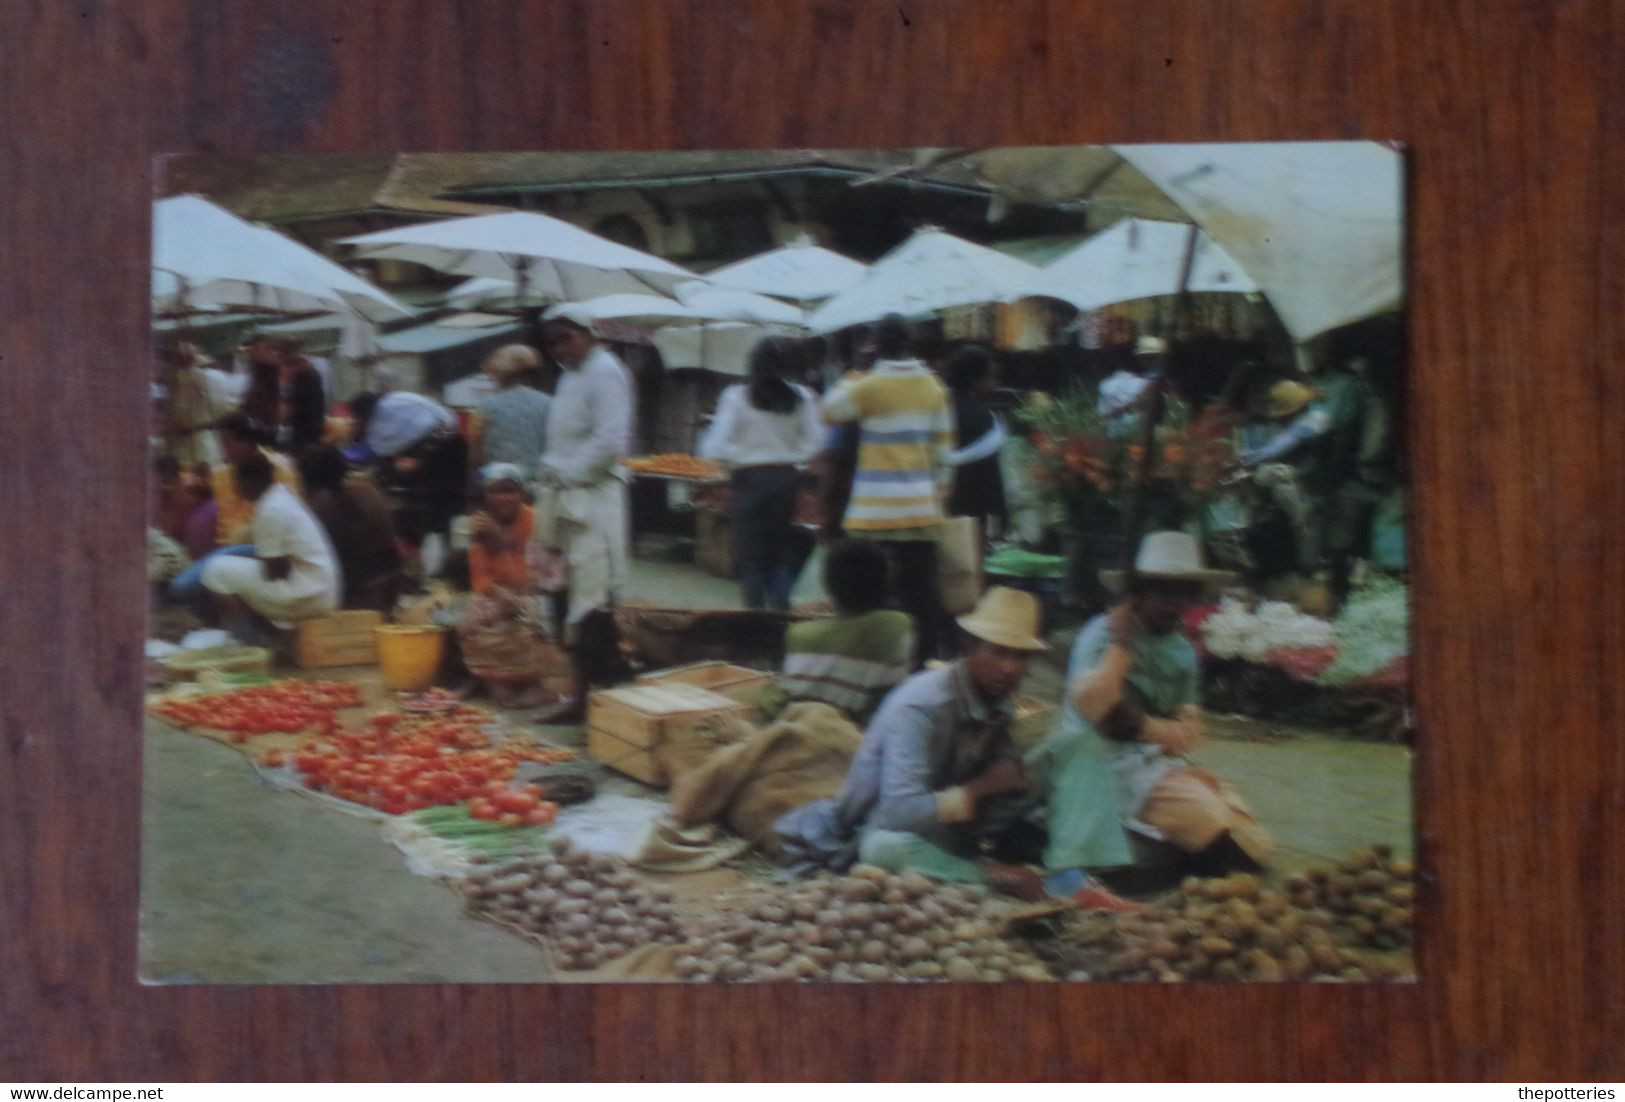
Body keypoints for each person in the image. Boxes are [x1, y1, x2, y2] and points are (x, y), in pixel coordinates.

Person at [775, 587, 1060, 901]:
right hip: (883, 829)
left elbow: (999, 778)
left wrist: (1012, 778)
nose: (1010, 669)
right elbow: (898, 812)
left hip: (952, 831)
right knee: (882, 850)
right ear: (968, 648)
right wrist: (982, 788)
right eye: (998, 652)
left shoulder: (998, 704)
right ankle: (986, 876)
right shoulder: (922, 706)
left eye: (1021, 656)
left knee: (1063, 754)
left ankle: (1070, 873)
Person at [1030, 531, 1271, 889]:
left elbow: (1187, 728)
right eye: (1162, 591)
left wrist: (1167, 731)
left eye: (1182, 593)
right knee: (1206, 828)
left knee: (1252, 839)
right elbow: (1104, 716)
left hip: (1151, 765)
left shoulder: (1183, 651)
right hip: (1095, 760)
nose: (1173, 604)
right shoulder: (1103, 635)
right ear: (1140, 592)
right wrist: (1122, 645)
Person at [820, 313, 954, 665]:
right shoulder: (933, 388)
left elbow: (830, 410)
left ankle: (873, 663)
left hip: (872, 514)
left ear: (875, 345)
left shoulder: (868, 386)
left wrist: (856, 370)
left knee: (868, 597)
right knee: (920, 595)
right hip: (919, 512)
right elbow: (943, 456)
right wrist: (936, 501)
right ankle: (922, 663)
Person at [531, 305, 636, 721]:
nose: (560, 349)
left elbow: (611, 440)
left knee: (591, 600)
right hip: (562, 497)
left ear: (589, 334)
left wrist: (571, 474)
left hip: (593, 500)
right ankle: (580, 693)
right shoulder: (569, 375)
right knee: (561, 595)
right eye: (552, 342)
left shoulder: (606, 371)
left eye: (566, 338)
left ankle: (596, 695)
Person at [698, 336, 823, 610]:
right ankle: (782, 621)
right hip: (789, 482)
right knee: (780, 558)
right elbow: (816, 443)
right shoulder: (802, 397)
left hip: (749, 483)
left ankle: (755, 625)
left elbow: (713, 446)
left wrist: (735, 456)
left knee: (752, 559)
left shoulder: (737, 397)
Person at [200, 452, 340, 637]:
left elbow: (274, 571)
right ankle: (267, 634)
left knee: (215, 571)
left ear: (251, 482)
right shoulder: (280, 495)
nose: (235, 487)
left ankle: (247, 641)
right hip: (322, 589)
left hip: (310, 594)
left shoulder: (270, 509)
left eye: (237, 482)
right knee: (232, 569)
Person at [780, 540, 914, 723]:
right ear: (885, 582)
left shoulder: (797, 635)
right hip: (860, 738)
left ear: (828, 585)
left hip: (804, 732)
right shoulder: (897, 626)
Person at [295, 445, 405, 611]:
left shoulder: (320, 508)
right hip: (388, 589)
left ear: (308, 480)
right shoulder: (368, 491)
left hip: (352, 597)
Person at [349, 389, 468, 537]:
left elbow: (383, 452)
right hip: (455, 443)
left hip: (437, 458)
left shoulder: (379, 425)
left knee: (438, 507)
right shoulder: (399, 398)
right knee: (453, 502)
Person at [942, 344, 1009, 546]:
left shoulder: (938, 408)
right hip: (972, 506)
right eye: (990, 376)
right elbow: (990, 471)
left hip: (937, 500)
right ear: (975, 379)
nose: (994, 383)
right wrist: (1000, 510)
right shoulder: (982, 417)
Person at [473, 344, 551, 473]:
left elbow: (475, 449)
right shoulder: (548, 402)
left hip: (500, 479)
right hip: (539, 475)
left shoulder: (486, 406)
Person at [467, 462, 535, 596]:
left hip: (528, 598)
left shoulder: (533, 520)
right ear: (485, 496)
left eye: (509, 491)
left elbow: (524, 583)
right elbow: (480, 580)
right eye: (496, 491)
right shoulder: (479, 523)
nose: (503, 498)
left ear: (522, 494)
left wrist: (499, 542)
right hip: (492, 598)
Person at [1097, 335, 1162, 440]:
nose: (1148, 360)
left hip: (1123, 431)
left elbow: (1102, 415)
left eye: (1151, 357)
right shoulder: (1142, 379)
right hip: (1133, 431)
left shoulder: (1104, 384)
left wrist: (1116, 412)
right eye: (1145, 357)